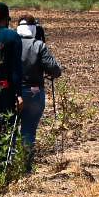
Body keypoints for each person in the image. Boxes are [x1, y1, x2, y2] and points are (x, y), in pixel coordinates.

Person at [15, 15, 62, 169]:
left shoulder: (11, 43)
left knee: (10, 128)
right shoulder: (39, 45)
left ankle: (9, 164)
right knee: (29, 130)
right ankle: (26, 166)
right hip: (34, 92)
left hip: (12, 94)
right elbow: (54, 69)